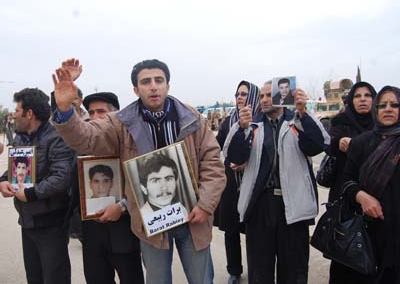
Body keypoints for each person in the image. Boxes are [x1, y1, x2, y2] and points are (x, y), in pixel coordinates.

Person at [51, 58, 225, 284]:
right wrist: (65, 110)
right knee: (157, 280)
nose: (153, 86)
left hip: (193, 217)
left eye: (159, 80)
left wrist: (205, 205)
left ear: (168, 85)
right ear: (135, 89)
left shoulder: (192, 118)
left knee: (202, 279)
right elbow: (86, 139)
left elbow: (213, 163)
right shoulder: (121, 122)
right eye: (145, 81)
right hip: (150, 221)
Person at [224, 81, 329, 284]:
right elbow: (235, 156)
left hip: (293, 207)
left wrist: (303, 113)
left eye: (268, 95)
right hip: (260, 206)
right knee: (260, 271)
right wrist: (241, 128)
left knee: (294, 270)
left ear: (282, 97)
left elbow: (318, 145)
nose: (263, 100)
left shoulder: (297, 121)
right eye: (261, 96)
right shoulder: (252, 125)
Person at [0, 88, 75, 284]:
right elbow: (14, 170)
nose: (14, 115)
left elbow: (62, 177)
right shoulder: (19, 137)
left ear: (29, 113)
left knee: (54, 277)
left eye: (17, 110)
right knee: (34, 276)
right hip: (27, 220)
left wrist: (32, 193)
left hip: (51, 223)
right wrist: (3, 181)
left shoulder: (57, 136)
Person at [81, 90, 144, 284]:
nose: (94, 117)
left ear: (115, 115)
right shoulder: (81, 143)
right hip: (92, 234)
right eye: (90, 112)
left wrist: (122, 206)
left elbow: (143, 184)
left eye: (101, 112)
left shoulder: (131, 142)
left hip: (124, 234)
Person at [341, 85, 400, 284]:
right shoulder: (361, 143)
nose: (388, 109)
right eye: (382, 105)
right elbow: (346, 182)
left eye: (394, 105)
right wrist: (362, 196)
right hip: (369, 235)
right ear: (376, 110)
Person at [327, 82, 377, 283]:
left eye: (367, 95)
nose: (363, 99)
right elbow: (330, 144)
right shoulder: (341, 121)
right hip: (346, 197)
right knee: (344, 255)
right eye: (358, 96)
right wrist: (338, 143)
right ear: (351, 101)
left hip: (377, 199)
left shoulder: (382, 125)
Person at [214, 80, 260, 284]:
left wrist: (246, 162)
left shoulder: (261, 121)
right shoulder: (228, 121)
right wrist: (230, 161)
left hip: (253, 185)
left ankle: (258, 270)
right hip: (231, 185)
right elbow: (218, 149)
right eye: (237, 94)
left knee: (255, 232)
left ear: (253, 97)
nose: (239, 97)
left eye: (244, 94)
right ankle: (234, 271)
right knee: (231, 231)